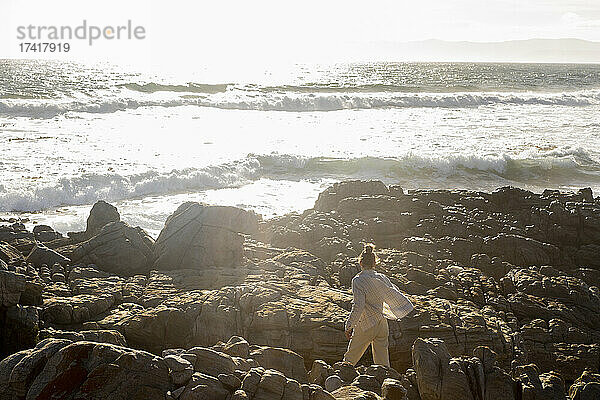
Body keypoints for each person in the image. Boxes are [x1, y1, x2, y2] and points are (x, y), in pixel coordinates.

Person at [343, 244, 414, 367]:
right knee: (383, 362)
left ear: (360, 263)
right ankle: (386, 382)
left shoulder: (358, 280)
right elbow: (393, 292)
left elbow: (358, 306)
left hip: (366, 324)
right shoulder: (382, 278)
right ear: (374, 263)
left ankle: (340, 381)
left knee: (350, 358)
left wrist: (349, 325)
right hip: (382, 324)